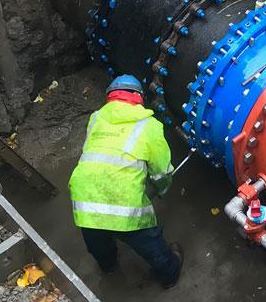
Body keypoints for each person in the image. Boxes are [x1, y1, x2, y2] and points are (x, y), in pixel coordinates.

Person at [68, 75, 183, 287]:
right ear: (139, 98)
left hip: (85, 198)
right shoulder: (150, 126)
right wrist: (162, 189)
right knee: (151, 244)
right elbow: (161, 173)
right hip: (124, 203)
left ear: (110, 98)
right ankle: (170, 275)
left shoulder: (96, 118)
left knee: (98, 241)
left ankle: (108, 266)